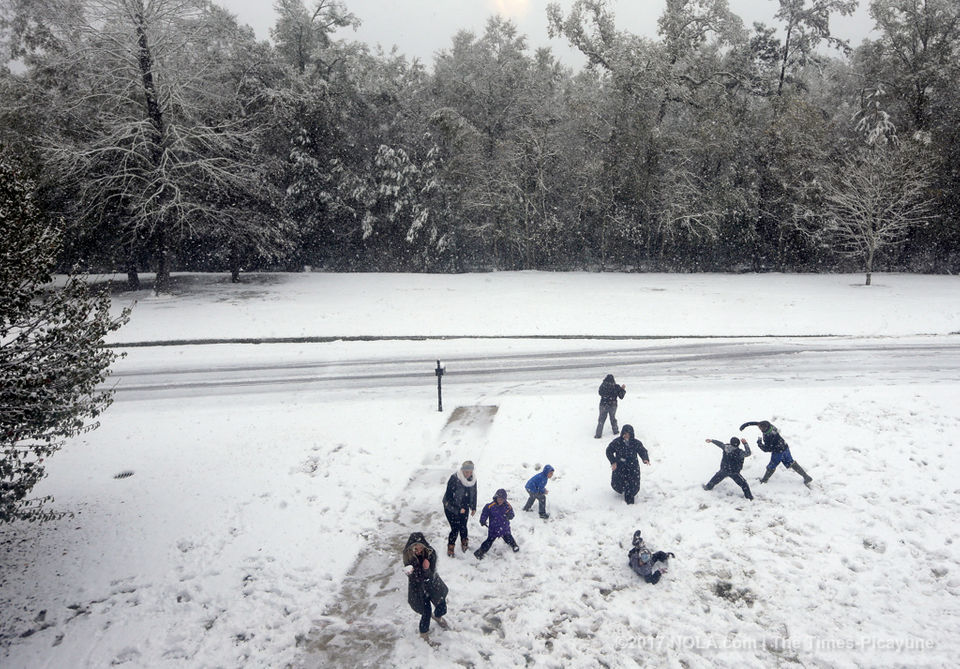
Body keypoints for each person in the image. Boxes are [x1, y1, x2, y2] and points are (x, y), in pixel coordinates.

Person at [402, 532, 449, 642]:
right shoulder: (408, 557)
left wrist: (427, 569)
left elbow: (431, 573)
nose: (418, 551)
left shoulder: (431, 553)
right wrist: (412, 572)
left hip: (433, 585)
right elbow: (414, 578)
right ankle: (424, 634)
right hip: (418, 589)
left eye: (420, 548)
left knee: (442, 605)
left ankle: (438, 616)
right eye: (415, 549)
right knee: (426, 612)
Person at [739, 420, 813, 486]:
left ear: (765, 428)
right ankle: (806, 477)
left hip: (778, 452)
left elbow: (767, 449)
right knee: (791, 462)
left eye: (760, 428)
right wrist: (745, 425)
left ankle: (764, 480)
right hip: (785, 447)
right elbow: (757, 423)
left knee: (771, 466)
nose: (759, 428)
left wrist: (759, 443)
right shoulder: (770, 427)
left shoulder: (770, 436)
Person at [606, 424, 650, 504]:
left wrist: (645, 458)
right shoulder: (617, 442)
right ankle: (623, 490)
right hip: (620, 466)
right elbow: (609, 451)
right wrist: (613, 461)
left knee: (632, 483)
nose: (626, 436)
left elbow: (642, 450)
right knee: (618, 482)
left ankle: (630, 498)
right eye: (625, 434)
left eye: (628, 434)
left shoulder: (635, 443)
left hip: (632, 466)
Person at [442, 460, 478, 557]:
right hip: (450, 508)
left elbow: (474, 493)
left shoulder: (473, 480)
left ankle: (464, 541)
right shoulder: (454, 479)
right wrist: (458, 509)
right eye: (466, 472)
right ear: (462, 470)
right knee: (455, 528)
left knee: (463, 526)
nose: (468, 474)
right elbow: (449, 497)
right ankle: (451, 546)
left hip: (464, 507)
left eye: (470, 472)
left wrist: (473, 507)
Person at [474, 488, 519, 559]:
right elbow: (484, 513)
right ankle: (480, 551)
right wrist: (483, 520)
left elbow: (512, 514)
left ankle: (514, 545)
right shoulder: (490, 506)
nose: (500, 501)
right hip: (493, 528)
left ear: (505, 499)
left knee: (508, 538)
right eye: (499, 499)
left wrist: (509, 515)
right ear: (496, 497)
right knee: (489, 541)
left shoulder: (507, 505)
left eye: (502, 499)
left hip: (504, 527)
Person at [595, 374, 627, 438]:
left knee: (601, 420)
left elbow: (600, 393)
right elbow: (621, 396)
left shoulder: (603, 386)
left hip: (603, 404)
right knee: (613, 418)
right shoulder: (616, 386)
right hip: (613, 405)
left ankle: (598, 434)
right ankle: (615, 431)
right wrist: (622, 389)